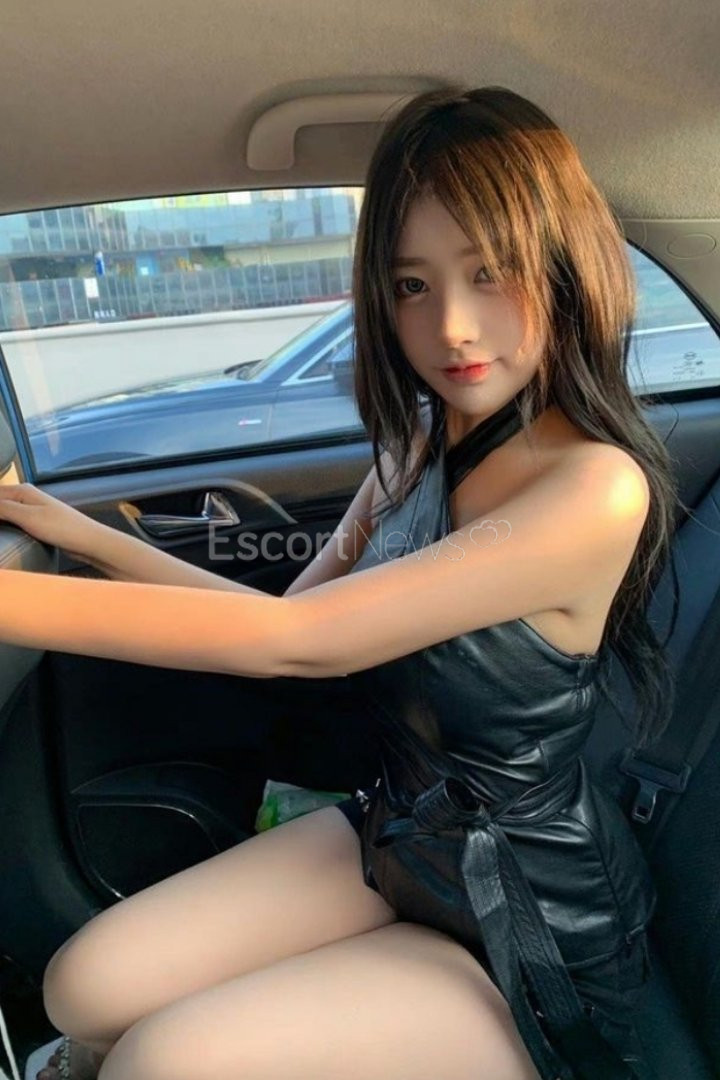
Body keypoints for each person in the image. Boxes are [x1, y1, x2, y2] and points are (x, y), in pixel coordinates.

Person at [0, 85, 679, 1080]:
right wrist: (77, 534)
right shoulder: (416, 449)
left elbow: (302, 646)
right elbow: (288, 622)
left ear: (564, 267)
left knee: (162, 1060)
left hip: (527, 920)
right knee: (80, 988)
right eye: (411, 285)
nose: (452, 325)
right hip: (399, 832)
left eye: (489, 273)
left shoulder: (594, 488)